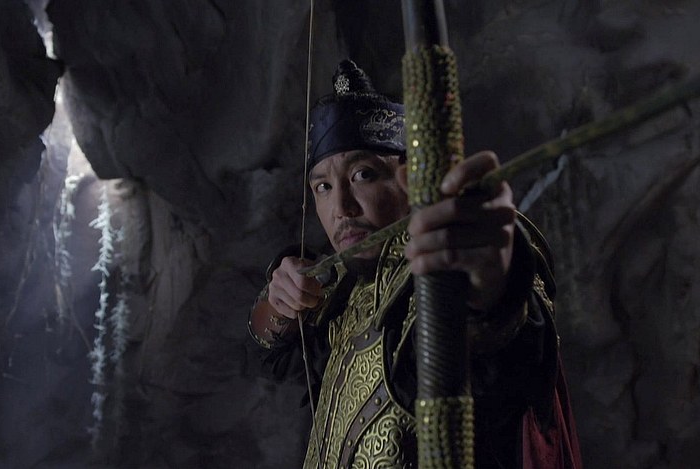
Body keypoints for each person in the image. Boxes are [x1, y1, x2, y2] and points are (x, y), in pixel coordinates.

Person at [249, 59, 582, 469]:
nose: (341, 208)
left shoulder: (442, 265)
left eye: (363, 175)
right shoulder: (340, 289)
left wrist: (490, 286)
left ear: (413, 178)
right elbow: (273, 348)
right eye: (323, 186)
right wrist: (280, 300)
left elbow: (507, 357)